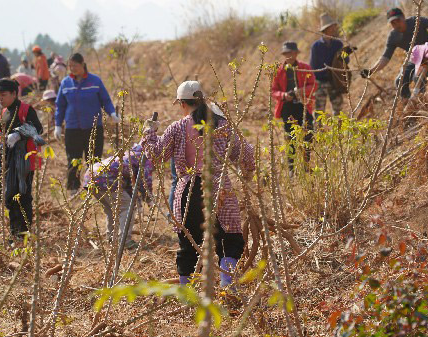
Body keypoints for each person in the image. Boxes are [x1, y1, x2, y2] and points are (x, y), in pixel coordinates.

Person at [141, 80, 255, 287]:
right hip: (220, 188)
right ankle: (226, 288)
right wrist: (247, 172)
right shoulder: (223, 125)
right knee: (229, 240)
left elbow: (156, 156)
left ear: (182, 104)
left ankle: (187, 296)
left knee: (188, 245)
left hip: (189, 190)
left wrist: (149, 133)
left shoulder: (176, 128)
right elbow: (245, 154)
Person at [55, 53, 119, 192]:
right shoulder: (66, 83)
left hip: (94, 128)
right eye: (70, 66)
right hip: (73, 129)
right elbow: (60, 105)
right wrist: (58, 125)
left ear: (83, 64)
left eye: (75, 65)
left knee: (94, 159)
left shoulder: (95, 81)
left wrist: (112, 113)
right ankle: (73, 189)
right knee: (73, 159)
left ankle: (94, 189)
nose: (72, 68)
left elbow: (105, 100)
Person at [0, 79, 44, 239]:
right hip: (6, 160)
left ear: (14, 94)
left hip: (23, 161)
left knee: (23, 196)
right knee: (9, 196)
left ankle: (25, 233)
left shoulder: (25, 110)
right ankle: (15, 233)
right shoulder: (4, 112)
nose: (0, 98)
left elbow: (38, 128)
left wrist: (19, 133)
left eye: (4, 95)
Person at [360, 8, 428, 100]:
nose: (396, 25)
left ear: (403, 17)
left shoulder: (416, 21)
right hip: (413, 58)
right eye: (393, 23)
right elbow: (385, 58)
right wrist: (371, 71)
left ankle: (423, 101)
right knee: (399, 81)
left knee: (417, 77)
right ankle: (408, 103)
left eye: (398, 20)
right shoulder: (393, 36)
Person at [82, 143, 153, 245]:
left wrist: (138, 200)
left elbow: (130, 184)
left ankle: (111, 237)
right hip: (106, 179)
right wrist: (148, 198)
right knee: (127, 207)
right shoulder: (144, 158)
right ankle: (125, 241)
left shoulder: (128, 154)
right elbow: (145, 181)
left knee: (112, 209)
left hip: (91, 176)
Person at [271, 41, 317, 172]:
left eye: (290, 53)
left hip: (303, 105)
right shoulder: (278, 71)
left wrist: (300, 91)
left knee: (308, 134)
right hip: (287, 107)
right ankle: (291, 169)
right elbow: (273, 91)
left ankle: (306, 165)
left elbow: (313, 85)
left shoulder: (305, 67)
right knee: (290, 137)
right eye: (285, 53)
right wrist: (284, 95)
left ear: (296, 53)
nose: (288, 55)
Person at [310, 13, 349, 116]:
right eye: (331, 27)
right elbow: (313, 67)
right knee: (319, 112)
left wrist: (346, 54)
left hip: (335, 80)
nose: (333, 29)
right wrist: (319, 81)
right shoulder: (316, 46)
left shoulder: (338, 44)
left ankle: (338, 131)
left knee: (338, 111)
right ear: (325, 29)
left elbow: (344, 62)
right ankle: (319, 131)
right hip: (320, 82)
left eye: (333, 26)